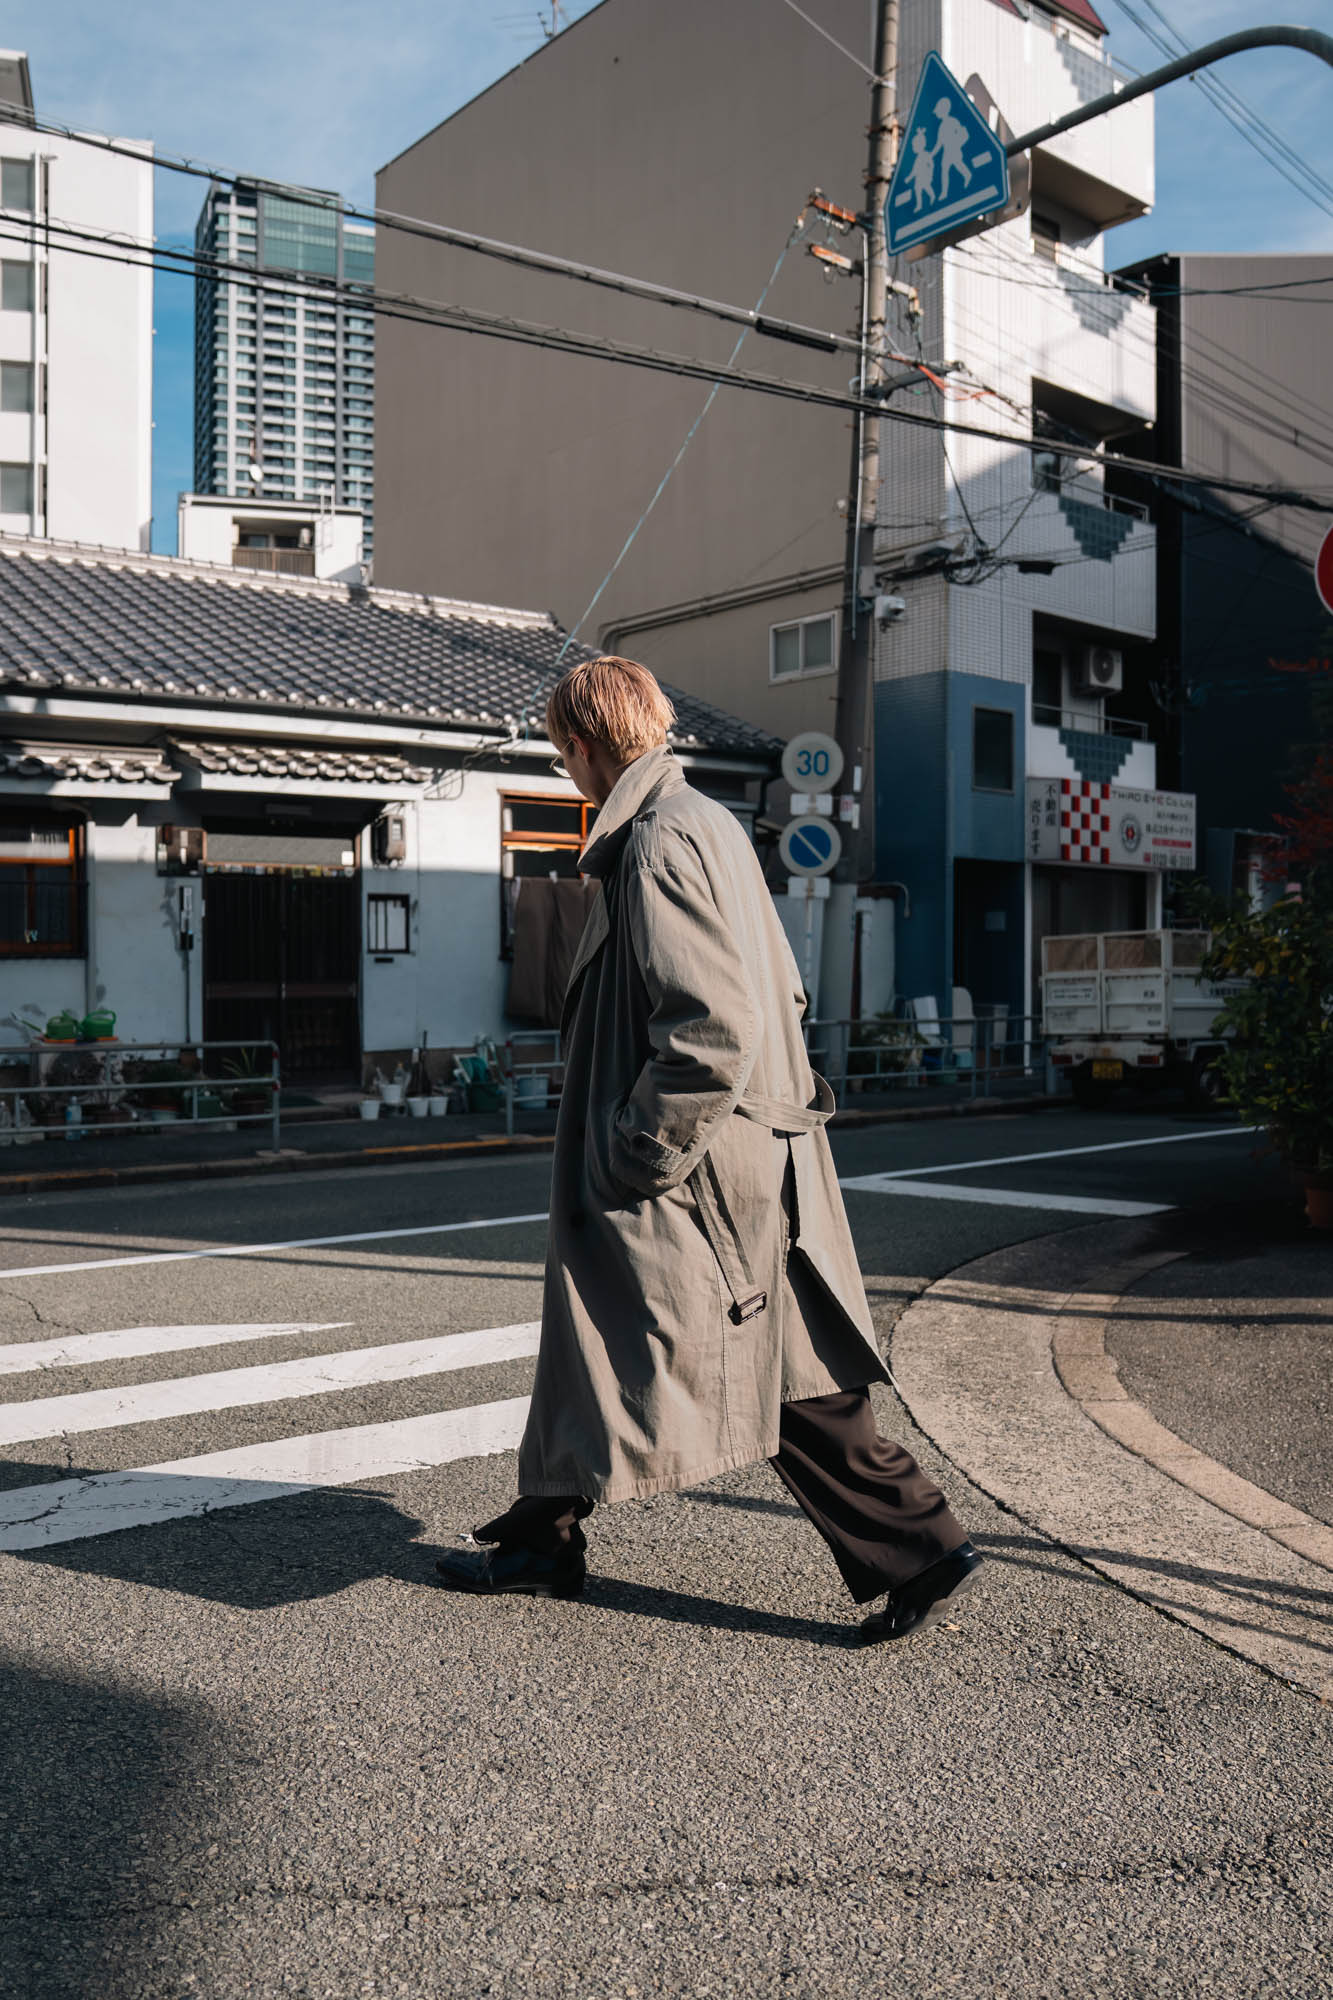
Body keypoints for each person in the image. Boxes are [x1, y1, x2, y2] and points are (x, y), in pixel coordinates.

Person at [436, 657, 980, 1644]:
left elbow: (711, 1026)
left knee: (775, 1368)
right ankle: (540, 1536)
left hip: (695, 1170)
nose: (566, 771)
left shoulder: (651, 838)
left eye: (565, 752)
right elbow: (783, 991)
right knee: (618, 1338)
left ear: (586, 745)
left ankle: (922, 1544)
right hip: (738, 1157)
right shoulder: (708, 822)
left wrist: (637, 1147)